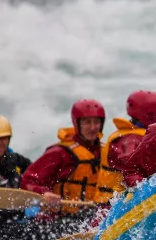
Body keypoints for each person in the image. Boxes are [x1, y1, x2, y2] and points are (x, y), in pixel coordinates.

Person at [21, 99, 104, 232]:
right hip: (58, 220)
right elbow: (28, 181)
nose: (93, 127)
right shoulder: (59, 153)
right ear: (77, 124)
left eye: (97, 122)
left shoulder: (105, 151)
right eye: (87, 122)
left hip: (90, 218)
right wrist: (44, 193)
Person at [95, 91, 156, 203]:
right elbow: (130, 167)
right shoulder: (129, 140)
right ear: (151, 115)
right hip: (110, 206)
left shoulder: (137, 135)